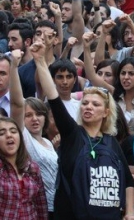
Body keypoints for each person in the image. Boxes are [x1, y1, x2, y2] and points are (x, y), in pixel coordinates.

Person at [31, 41, 134, 220]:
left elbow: (127, 182)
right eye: (85, 103)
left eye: (95, 104)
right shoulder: (72, 134)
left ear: (106, 112)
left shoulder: (111, 141)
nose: (88, 107)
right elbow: (54, 99)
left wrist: (129, 212)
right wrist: (41, 61)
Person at [9, 48, 58, 218]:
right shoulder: (23, 137)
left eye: (38, 114)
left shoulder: (49, 143)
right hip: (34, 207)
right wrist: (14, 67)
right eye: (28, 115)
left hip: (55, 206)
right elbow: (16, 103)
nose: (35, 119)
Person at [0, 117, 48, 219]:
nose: (9, 135)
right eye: (2, 133)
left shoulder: (32, 167)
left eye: (13, 131)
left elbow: (41, 205)